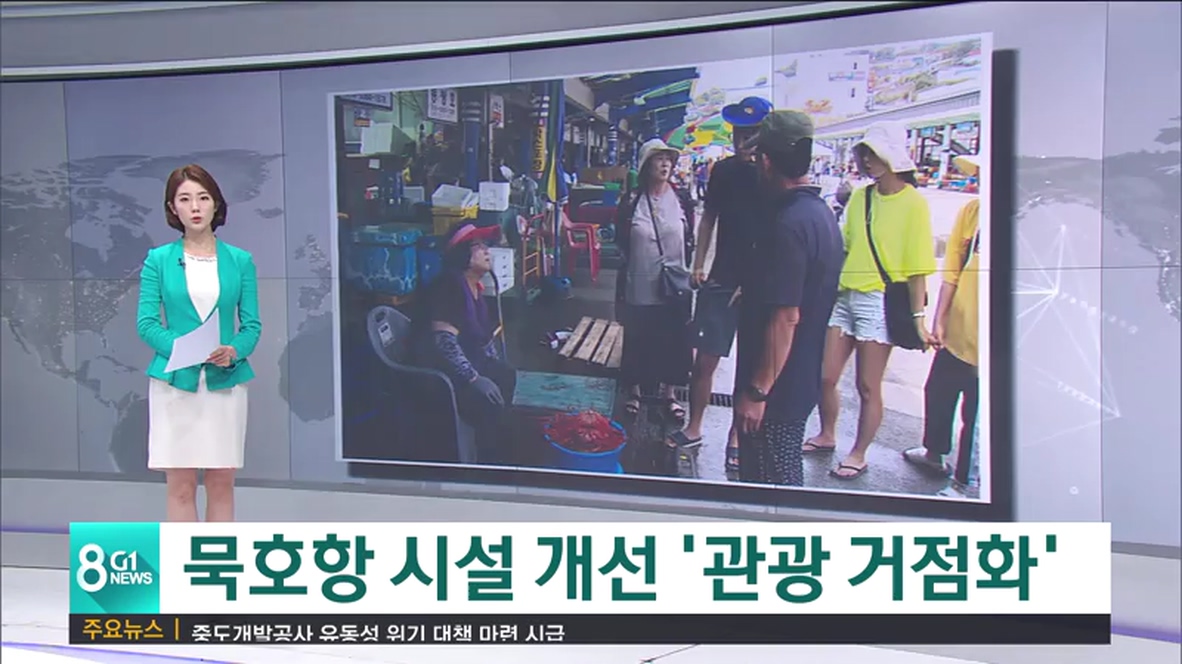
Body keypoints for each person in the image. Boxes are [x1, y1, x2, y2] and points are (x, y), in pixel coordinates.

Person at [803, 121, 937, 480]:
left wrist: (919, 318)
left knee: (866, 385)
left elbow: (918, 268)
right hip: (844, 295)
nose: (867, 160)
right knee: (825, 375)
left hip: (878, 301)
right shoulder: (861, 196)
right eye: (864, 153)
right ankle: (827, 434)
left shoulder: (913, 203)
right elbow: (843, 244)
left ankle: (859, 453)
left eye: (873, 153)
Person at [137, 164, 261, 522]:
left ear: (215, 204)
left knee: (221, 483)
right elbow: (147, 324)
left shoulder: (240, 261)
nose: (195, 207)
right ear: (172, 208)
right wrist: (184, 347)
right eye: (185, 199)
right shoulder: (159, 260)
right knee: (181, 485)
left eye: (203, 198)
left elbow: (251, 325)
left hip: (224, 384)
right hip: (176, 384)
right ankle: (184, 559)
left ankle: (216, 559)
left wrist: (234, 350)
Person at [731, 111, 844, 486]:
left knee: (770, 489)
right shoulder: (820, 214)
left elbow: (787, 317)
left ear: (765, 162)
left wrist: (757, 391)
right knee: (781, 481)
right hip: (798, 381)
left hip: (776, 395)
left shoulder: (788, 224)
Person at [668, 96, 772, 477]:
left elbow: (780, 232)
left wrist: (758, 279)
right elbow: (709, 217)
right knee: (704, 360)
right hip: (721, 277)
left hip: (758, 285)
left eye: (752, 132)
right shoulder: (723, 171)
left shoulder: (773, 174)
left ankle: (736, 437)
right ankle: (694, 426)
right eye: (739, 132)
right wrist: (699, 263)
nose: (743, 140)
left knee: (749, 366)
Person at [903, 153, 982, 495]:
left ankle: (965, 485)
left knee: (976, 418)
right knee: (938, 392)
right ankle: (934, 454)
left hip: (989, 346)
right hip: (959, 330)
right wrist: (940, 319)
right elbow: (952, 270)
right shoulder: (972, 211)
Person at [415, 222, 517, 465]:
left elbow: (482, 339)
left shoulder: (475, 288)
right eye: (478, 246)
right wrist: (474, 378)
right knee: (488, 399)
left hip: (468, 366)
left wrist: (491, 365)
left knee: (504, 375)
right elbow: (444, 343)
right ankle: (485, 458)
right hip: (441, 378)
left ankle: (492, 443)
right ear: (462, 254)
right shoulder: (449, 286)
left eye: (486, 245)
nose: (487, 251)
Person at [613, 138, 696, 422]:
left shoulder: (682, 199)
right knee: (638, 337)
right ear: (646, 165)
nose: (665, 164)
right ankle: (635, 391)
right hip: (639, 281)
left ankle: (669, 394)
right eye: (659, 159)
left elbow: (690, 237)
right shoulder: (631, 201)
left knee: (674, 338)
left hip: (674, 284)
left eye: (668, 160)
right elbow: (620, 239)